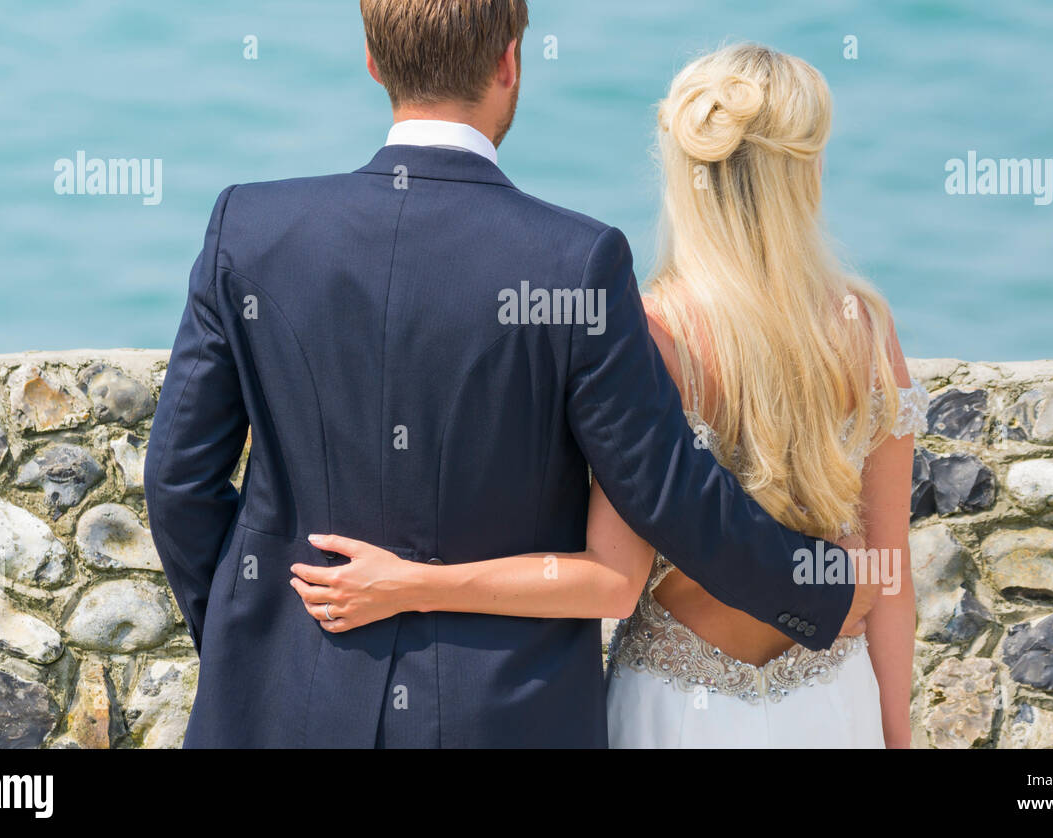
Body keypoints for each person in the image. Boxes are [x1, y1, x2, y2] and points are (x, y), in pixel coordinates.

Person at [145, 0, 872, 748]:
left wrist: (254, 645)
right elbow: (664, 489)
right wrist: (822, 589)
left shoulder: (250, 229)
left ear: (374, 61)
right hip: (502, 717)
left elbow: (178, 481)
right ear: (510, 63)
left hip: (285, 704)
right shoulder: (574, 262)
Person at [292, 44, 927, 748]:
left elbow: (609, 580)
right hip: (833, 708)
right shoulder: (863, 326)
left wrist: (413, 583)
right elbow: (888, 576)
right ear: (805, 169)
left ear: (683, 171)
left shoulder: (654, 333)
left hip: (678, 713)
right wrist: (898, 738)